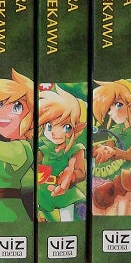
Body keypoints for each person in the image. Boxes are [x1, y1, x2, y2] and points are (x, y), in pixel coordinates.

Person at [92, 79, 131, 215]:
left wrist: (113, 152)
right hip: (121, 169)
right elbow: (109, 148)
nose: (110, 113)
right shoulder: (116, 129)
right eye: (108, 109)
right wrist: (101, 150)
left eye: (117, 105)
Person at [37, 85, 87, 222]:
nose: (54, 133)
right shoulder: (45, 147)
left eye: (66, 127)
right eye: (49, 126)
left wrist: (71, 175)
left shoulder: (76, 148)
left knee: (67, 220)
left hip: (66, 194)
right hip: (43, 193)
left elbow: (81, 173)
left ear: (77, 128)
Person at [0, 69, 34, 222]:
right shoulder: (8, 145)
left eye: (16, 107)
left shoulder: (23, 149)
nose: (1, 112)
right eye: (0, 104)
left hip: (8, 212)